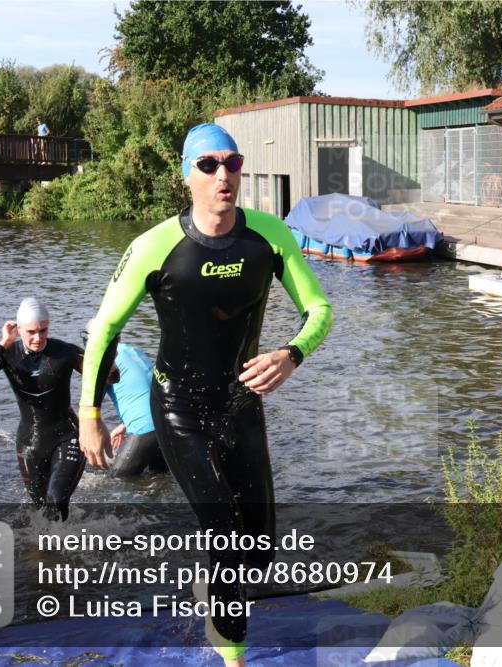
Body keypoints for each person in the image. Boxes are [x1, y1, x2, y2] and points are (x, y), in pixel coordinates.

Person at [78, 123, 332, 666]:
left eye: (233, 164)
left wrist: (291, 354)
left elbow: (320, 310)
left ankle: (214, 592)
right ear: (186, 174)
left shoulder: (268, 236)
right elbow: (103, 329)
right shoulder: (154, 246)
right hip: (179, 409)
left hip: (241, 408)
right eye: (210, 165)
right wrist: (89, 413)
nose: (224, 176)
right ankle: (233, 655)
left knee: (258, 550)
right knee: (225, 534)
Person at [0, 298, 86, 521]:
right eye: (31, 331)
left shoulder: (65, 352)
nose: (38, 337)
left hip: (68, 435)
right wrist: (3, 344)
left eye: (43, 330)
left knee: (56, 500)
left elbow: (111, 376)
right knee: (40, 510)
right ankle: (48, 547)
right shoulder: (8, 354)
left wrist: (106, 352)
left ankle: (61, 549)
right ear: (18, 328)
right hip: (30, 441)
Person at [83, 322, 165, 476]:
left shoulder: (101, 362)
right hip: (164, 424)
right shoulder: (134, 351)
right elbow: (148, 388)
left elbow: (90, 412)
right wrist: (124, 426)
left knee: (118, 479)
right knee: (158, 479)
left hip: (145, 428)